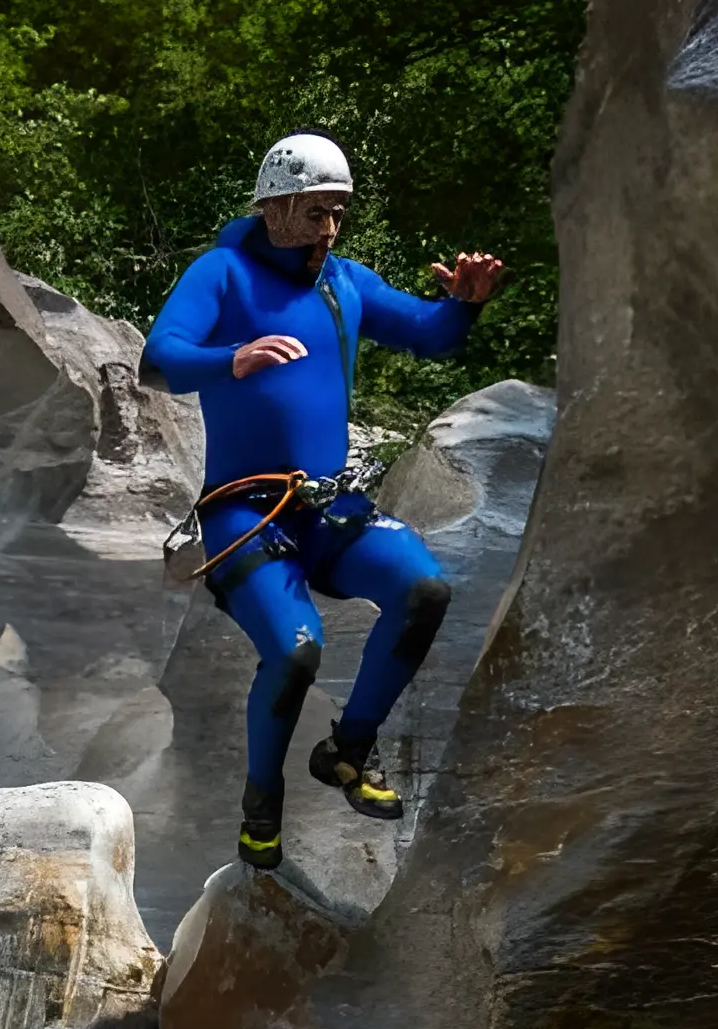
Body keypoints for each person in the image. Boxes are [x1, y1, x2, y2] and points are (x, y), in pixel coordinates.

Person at [145, 132, 503, 870]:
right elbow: (160, 359)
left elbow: (429, 336)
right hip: (245, 509)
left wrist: (462, 306)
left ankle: (346, 752)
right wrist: (230, 357)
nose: (328, 230)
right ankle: (260, 805)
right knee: (296, 650)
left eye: (338, 213)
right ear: (274, 207)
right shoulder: (223, 274)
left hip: (327, 506)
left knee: (423, 589)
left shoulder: (346, 284)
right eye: (315, 213)